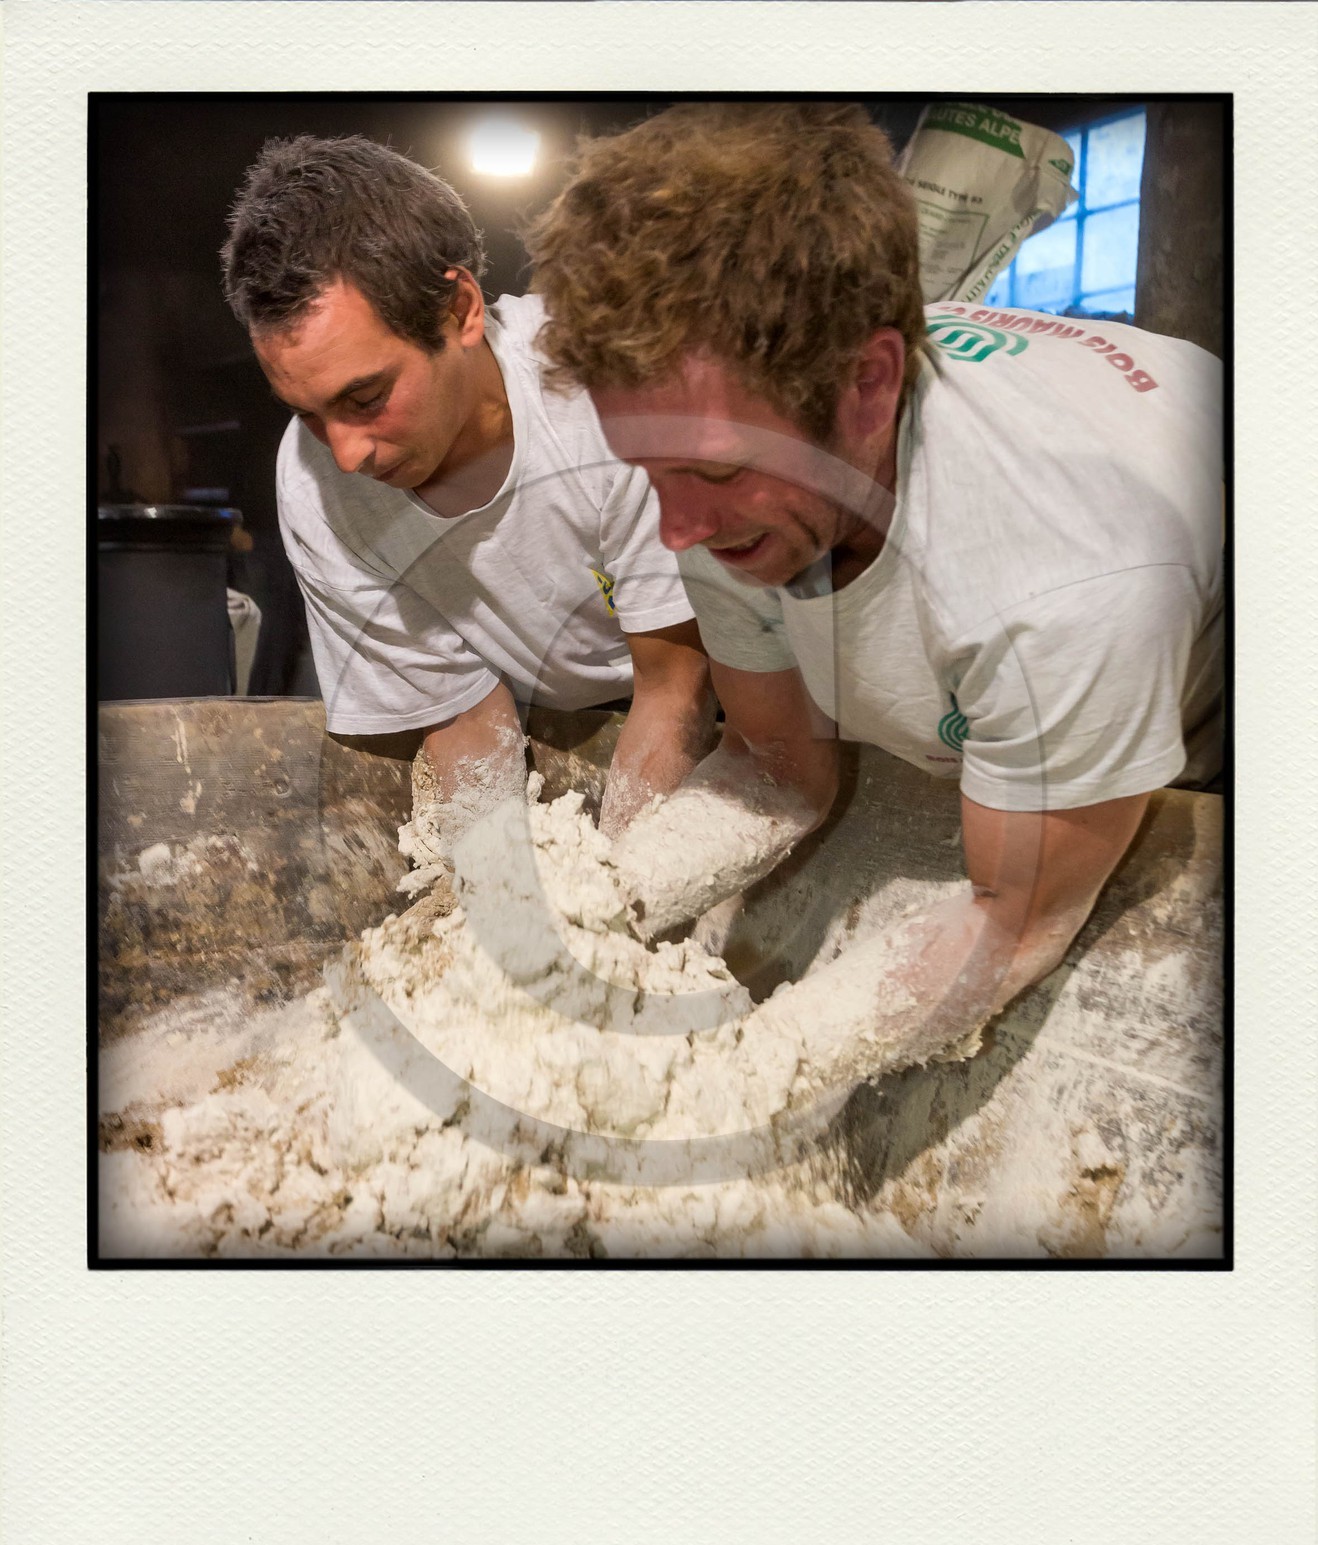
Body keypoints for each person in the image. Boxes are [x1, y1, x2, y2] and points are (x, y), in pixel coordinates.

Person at [527, 101, 1223, 1075]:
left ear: (867, 385)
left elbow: (1010, 921)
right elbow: (775, 764)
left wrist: (727, 1086)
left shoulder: (1060, 575)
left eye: (716, 474)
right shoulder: (714, 462)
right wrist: (584, 913)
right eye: (646, 469)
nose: (674, 527)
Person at [221, 134, 712, 885]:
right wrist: (498, 903)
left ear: (461, 309)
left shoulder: (607, 389)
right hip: (545, 699)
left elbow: (677, 683)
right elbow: (457, 712)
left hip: (731, 683)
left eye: (366, 397)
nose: (347, 453)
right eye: (309, 412)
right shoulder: (314, 481)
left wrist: (612, 908)